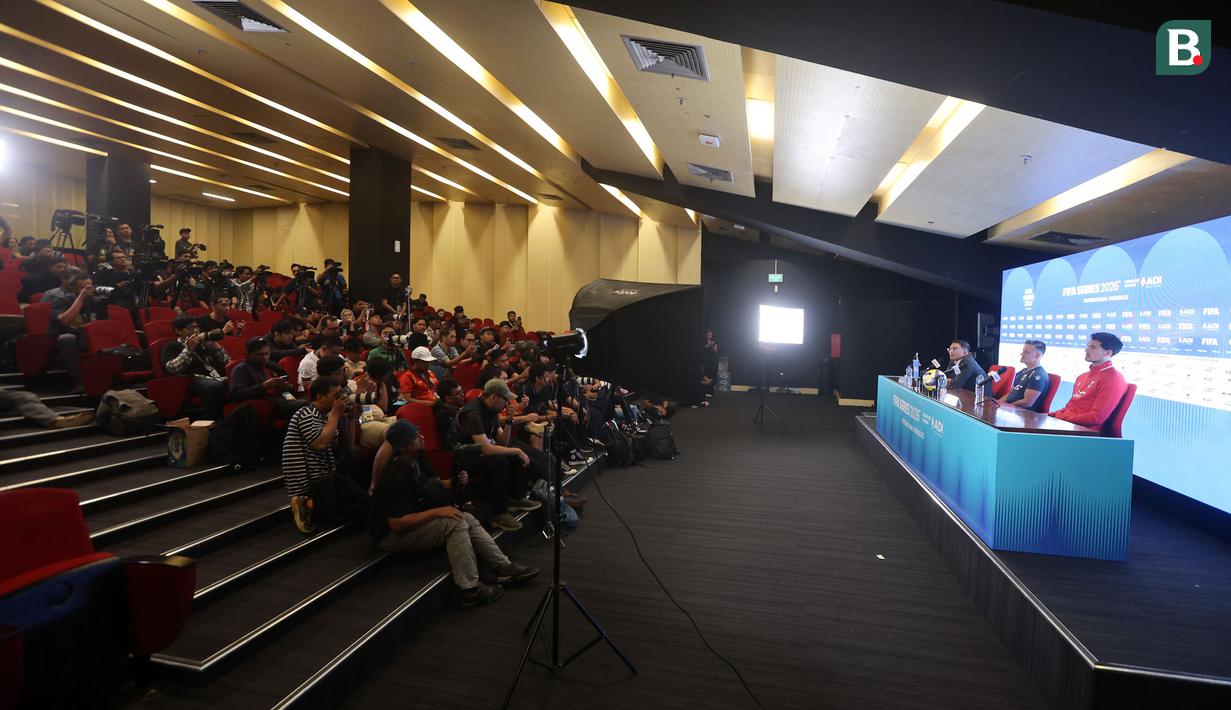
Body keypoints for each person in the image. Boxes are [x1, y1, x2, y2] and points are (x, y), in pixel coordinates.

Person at [369, 421, 539, 607]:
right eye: (416, 437)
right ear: (403, 446)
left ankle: (503, 567)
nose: (422, 437)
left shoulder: (417, 459)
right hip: (391, 535)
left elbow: (432, 484)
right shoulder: (394, 475)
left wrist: (455, 481)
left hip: (412, 519)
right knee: (454, 522)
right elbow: (397, 523)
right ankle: (470, 589)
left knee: (465, 517)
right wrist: (439, 512)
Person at [282, 379, 370, 534]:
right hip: (311, 481)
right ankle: (304, 502)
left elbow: (348, 447)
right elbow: (320, 444)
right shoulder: (306, 414)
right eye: (335, 396)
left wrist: (350, 419)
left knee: (364, 505)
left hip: (327, 475)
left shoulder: (326, 416)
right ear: (320, 396)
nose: (340, 400)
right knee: (347, 514)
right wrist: (336, 414)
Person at [457, 378, 541, 533]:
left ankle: (515, 498)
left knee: (512, 453)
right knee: (500, 460)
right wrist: (516, 451)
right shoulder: (473, 413)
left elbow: (502, 442)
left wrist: (508, 421)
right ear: (493, 397)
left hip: (481, 453)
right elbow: (486, 449)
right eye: (505, 399)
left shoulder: (492, 411)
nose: (507, 404)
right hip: (466, 458)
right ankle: (498, 513)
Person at [1050, 332, 1128, 429]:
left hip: (1084, 432)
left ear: (1108, 353)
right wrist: (1053, 415)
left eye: (1093, 347)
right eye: (1088, 346)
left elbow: (1096, 417)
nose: (1086, 350)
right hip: (1067, 424)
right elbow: (1071, 407)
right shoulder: (1082, 376)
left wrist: (1062, 418)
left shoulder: (1113, 379)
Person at [161, 315, 230, 419]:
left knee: (236, 381)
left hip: (213, 377)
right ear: (178, 331)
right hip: (191, 380)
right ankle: (210, 422)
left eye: (197, 327)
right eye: (191, 327)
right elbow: (172, 368)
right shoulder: (172, 346)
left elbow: (227, 363)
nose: (196, 330)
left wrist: (216, 346)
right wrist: (189, 349)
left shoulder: (203, 345)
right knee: (215, 386)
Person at [46, 268, 99, 394]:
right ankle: (78, 380)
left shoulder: (96, 301)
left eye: (89, 287)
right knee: (68, 338)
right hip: (62, 339)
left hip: (86, 338)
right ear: (72, 288)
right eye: (82, 288)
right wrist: (80, 298)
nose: (87, 291)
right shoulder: (61, 300)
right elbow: (65, 321)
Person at [229, 336, 307, 419]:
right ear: (249, 354)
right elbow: (236, 394)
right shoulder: (241, 369)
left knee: (310, 403)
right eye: (260, 354)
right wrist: (263, 386)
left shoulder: (273, 365)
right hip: (263, 403)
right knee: (303, 405)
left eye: (267, 353)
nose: (265, 357)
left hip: (282, 397)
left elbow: (287, 382)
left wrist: (287, 386)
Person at [998, 340, 1050, 412]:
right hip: (1010, 410)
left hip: (1023, 414)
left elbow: (1027, 402)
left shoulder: (1038, 376)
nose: (1022, 354)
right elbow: (1010, 394)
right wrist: (997, 404)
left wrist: (1007, 407)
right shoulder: (1021, 372)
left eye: (1026, 352)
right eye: (1023, 351)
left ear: (1037, 355)